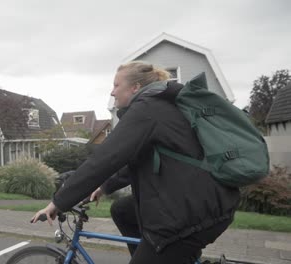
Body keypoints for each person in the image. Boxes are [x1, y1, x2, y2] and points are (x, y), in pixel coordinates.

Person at [31, 61, 240, 264]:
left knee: (155, 247)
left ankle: (153, 253)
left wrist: (58, 203)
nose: (112, 92)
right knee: (122, 210)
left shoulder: (147, 109)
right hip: (198, 199)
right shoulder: (155, 108)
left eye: (116, 85)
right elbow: (133, 162)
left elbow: (105, 158)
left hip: (194, 210)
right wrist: (105, 186)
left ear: (135, 87)